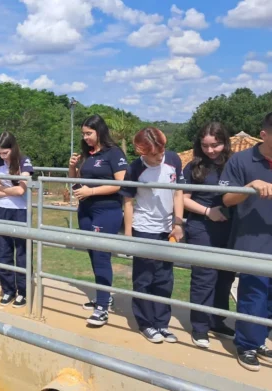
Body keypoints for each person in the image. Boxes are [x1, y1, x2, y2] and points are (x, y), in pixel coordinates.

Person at [219, 112, 272, 372]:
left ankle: (260, 340)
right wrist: (249, 186)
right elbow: (226, 199)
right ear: (264, 134)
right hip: (253, 240)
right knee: (254, 293)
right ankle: (247, 345)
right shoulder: (241, 161)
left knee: (270, 297)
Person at [122, 127, 184, 344]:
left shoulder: (174, 160)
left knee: (165, 279)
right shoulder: (135, 168)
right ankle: (145, 323)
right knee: (144, 278)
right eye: (154, 155)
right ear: (142, 153)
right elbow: (128, 202)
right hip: (144, 228)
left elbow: (178, 193)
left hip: (167, 228)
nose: (160, 157)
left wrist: (178, 223)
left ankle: (162, 323)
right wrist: (129, 234)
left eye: (162, 151)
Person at [69, 115, 128, 326]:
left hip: (107, 211)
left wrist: (92, 190)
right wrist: (73, 167)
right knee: (94, 255)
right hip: (86, 210)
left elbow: (121, 184)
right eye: (83, 134)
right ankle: (104, 296)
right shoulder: (87, 154)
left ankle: (102, 307)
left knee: (102, 256)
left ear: (99, 131)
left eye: (89, 134)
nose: (85, 138)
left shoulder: (114, 153)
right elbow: (75, 184)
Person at [183, 123, 235, 349]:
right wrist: (207, 212)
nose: (210, 150)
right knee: (204, 279)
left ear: (225, 142)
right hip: (201, 226)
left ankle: (217, 320)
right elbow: (182, 198)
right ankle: (200, 327)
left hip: (230, 229)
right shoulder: (194, 166)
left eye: (215, 145)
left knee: (226, 277)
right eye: (205, 145)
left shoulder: (234, 164)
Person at [0, 132, 33, 308]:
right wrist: (8, 189)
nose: (2, 157)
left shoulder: (24, 161)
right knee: (3, 251)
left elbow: (21, 191)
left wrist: (2, 187)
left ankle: (23, 291)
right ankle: (8, 289)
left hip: (21, 211)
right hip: (2, 210)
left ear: (13, 149)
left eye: (5, 153)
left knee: (22, 253)